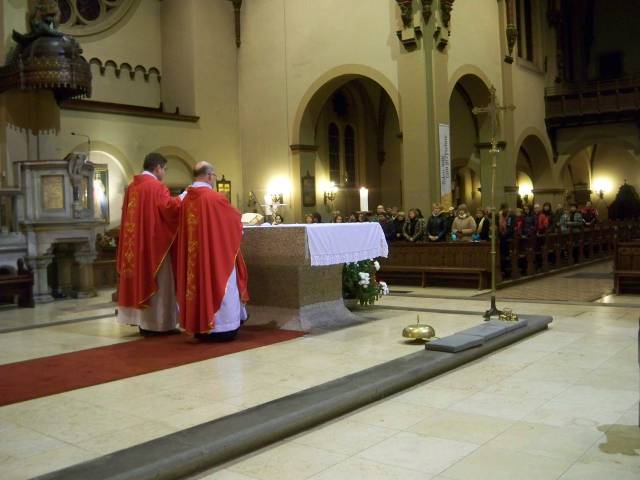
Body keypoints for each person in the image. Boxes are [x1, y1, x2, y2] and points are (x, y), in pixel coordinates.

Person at [176, 162, 249, 341]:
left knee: (198, 287)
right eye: (214, 176)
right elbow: (235, 223)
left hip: (194, 259)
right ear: (209, 176)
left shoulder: (186, 200)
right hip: (216, 256)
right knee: (222, 285)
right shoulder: (215, 198)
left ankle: (200, 327)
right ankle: (222, 328)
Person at [116, 153, 182, 336]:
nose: (164, 173)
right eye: (165, 169)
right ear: (157, 168)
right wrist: (183, 198)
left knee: (140, 280)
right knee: (161, 283)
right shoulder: (156, 187)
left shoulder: (132, 187)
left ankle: (143, 323)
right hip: (154, 246)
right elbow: (169, 209)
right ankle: (159, 325)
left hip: (134, 246)